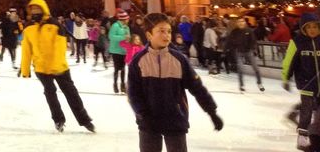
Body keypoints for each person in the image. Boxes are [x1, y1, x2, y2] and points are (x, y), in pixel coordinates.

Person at [127, 12, 223, 152]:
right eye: (161, 31)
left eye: (169, 31)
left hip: (175, 119)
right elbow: (133, 93)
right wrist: (143, 114)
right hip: (148, 121)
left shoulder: (179, 59)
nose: (166, 35)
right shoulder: (138, 60)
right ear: (149, 35)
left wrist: (211, 111)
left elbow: (197, 88)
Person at [20, 0, 95, 134]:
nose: (35, 12)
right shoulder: (29, 28)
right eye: (33, 10)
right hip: (41, 68)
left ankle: (84, 120)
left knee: (71, 93)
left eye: (38, 9)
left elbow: (60, 48)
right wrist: (25, 69)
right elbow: (26, 50)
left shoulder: (55, 25)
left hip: (59, 67)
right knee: (50, 93)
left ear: (44, 9)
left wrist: (56, 66)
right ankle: (58, 119)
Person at [282, 11, 320, 152]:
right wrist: (285, 77)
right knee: (307, 110)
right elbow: (288, 62)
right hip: (306, 83)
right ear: (303, 28)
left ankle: (316, 135)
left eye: (315, 27)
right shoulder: (297, 42)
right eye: (309, 27)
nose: (312, 30)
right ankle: (303, 136)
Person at [225, 16, 264, 93]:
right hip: (239, 52)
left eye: (242, 21)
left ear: (245, 23)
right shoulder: (234, 32)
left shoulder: (249, 31)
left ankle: (259, 83)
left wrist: (254, 49)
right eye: (239, 22)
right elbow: (229, 42)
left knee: (256, 68)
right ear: (237, 23)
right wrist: (226, 50)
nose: (241, 23)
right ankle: (241, 85)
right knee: (240, 69)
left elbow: (253, 41)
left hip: (248, 51)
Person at [109, 9, 132, 93]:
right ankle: (115, 84)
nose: (128, 20)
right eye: (127, 19)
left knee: (123, 69)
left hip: (124, 51)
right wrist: (123, 38)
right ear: (123, 19)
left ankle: (123, 85)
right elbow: (111, 36)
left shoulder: (127, 27)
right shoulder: (115, 26)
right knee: (116, 69)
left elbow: (128, 37)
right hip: (116, 50)